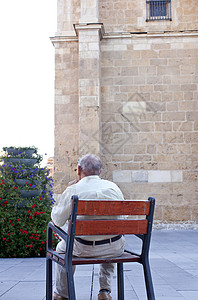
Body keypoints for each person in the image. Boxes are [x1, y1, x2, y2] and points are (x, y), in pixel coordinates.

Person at [51, 154, 126, 300]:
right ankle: (105, 290)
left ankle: (62, 294)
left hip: (82, 248)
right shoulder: (113, 188)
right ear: (100, 171)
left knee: (62, 248)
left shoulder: (73, 190)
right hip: (114, 248)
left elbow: (57, 220)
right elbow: (122, 219)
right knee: (111, 237)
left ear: (79, 170)